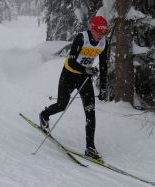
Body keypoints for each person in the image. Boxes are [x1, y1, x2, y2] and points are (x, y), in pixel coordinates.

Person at [39, 16, 108, 159]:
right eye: (98, 32)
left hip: (84, 79)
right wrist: (86, 69)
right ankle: (44, 115)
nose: (101, 36)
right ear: (92, 29)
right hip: (69, 75)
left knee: (90, 111)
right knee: (62, 105)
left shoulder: (103, 43)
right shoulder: (81, 38)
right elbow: (71, 62)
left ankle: (90, 147)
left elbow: (103, 66)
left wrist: (103, 88)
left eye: (103, 33)